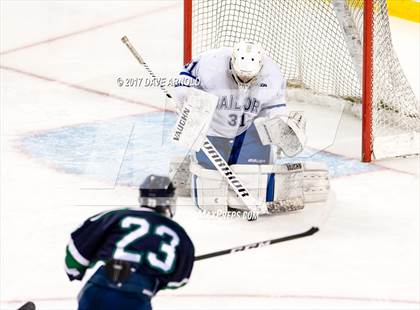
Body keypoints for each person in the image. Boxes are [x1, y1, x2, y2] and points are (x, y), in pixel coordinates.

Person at [64, 175, 195, 310]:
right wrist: (153, 275)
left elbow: (76, 250)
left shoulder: (116, 216)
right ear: (169, 201)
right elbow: (179, 280)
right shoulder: (179, 234)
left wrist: (75, 270)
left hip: (99, 288)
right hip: (136, 297)